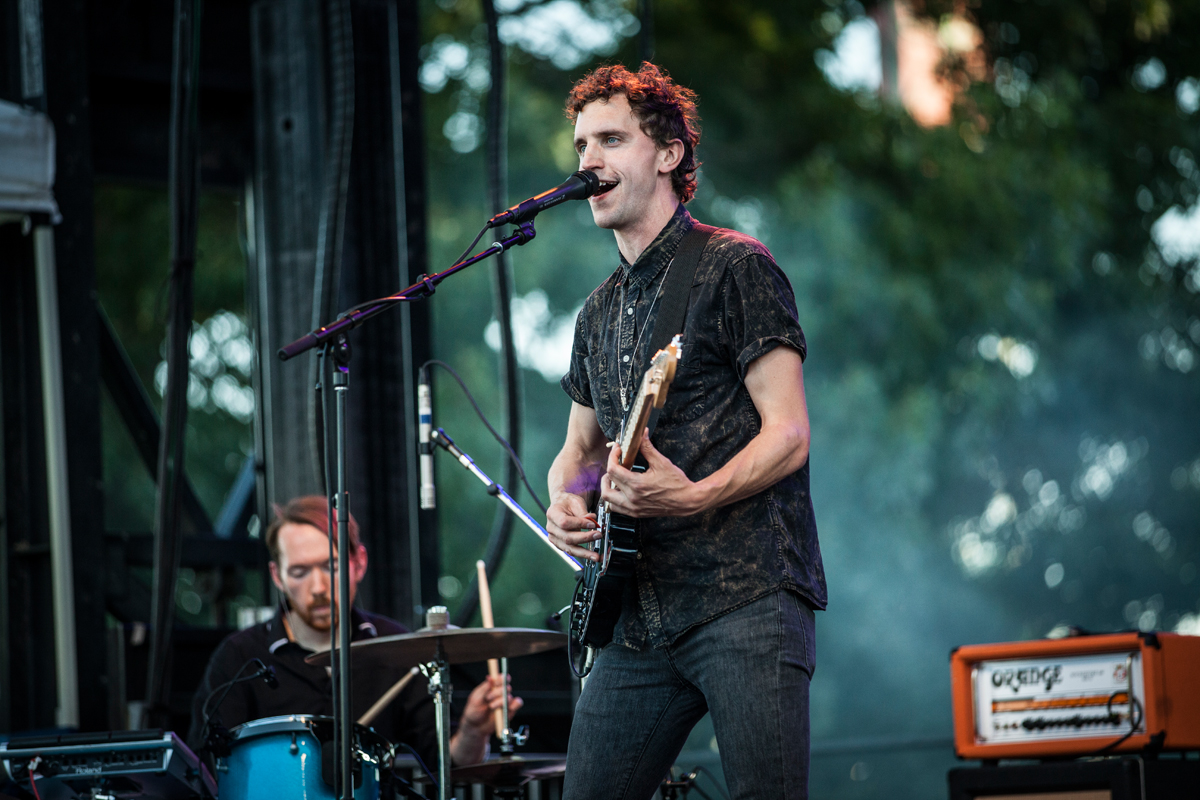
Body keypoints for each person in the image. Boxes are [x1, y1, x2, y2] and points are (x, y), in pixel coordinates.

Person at [545, 63, 827, 799]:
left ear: (668, 153)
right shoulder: (594, 314)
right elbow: (576, 454)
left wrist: (695, 496)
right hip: (636, 615)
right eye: (581, 146)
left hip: (746, 594)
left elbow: (790, 432)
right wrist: (565, 502)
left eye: (611, 139)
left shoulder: (737, 266)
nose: (588, 162)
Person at [188, 495, 520, 771]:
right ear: (277, 576)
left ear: (358, 563)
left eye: (331, 567)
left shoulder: (396, 648)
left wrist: (474, 732)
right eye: (300, 572)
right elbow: (205, 768)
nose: (318, 587)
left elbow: (447, 764)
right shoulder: (239, 657)